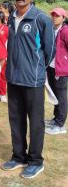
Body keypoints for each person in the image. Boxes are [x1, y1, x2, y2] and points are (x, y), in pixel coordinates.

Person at [1, 0, 55, 179]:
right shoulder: (11, 17)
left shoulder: (41, 19)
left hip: (33, 81)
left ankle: (35, 161)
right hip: (13, 78)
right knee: (15, 120)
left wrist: (37, 70)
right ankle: (18, 156)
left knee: (36, 123)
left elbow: (49, 51)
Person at [45, 7, 68, 135]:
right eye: (53, 15)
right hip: (52, 67)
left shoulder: (65, 31)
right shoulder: (53, 29)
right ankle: (55, 119)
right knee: (54, 94)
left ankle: (60, 124)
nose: (54, 17)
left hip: (61, 69)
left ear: (63, 18)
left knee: (61, 96)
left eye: (57, 15)